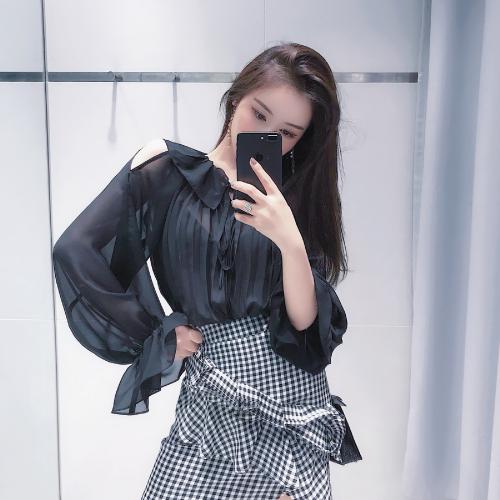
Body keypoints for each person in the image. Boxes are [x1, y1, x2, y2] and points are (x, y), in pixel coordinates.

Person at [52, 42, 362, 500]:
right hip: (211, 394)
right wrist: (155, 334)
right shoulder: (168, 171)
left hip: (290, 404)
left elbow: (304, 325)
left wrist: (290, 241)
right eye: (259, 114)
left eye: (287, 133)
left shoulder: (293, 199)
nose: (266, 134)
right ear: (236, 98)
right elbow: (75, 251)